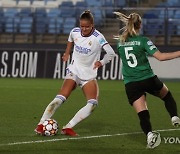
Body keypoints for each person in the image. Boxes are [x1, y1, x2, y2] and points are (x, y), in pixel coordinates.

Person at [35, 10, 115, 136]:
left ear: (92, 25)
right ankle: (40, 124)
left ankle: (68, 127)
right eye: (82, 26)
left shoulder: (98, 37)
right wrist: (67, 52)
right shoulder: (75, 31)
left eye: (87, 26)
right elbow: (70, 39)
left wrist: (102, 62)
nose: (84, 29)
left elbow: (111, 53)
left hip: (88, 75)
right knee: (60, 98)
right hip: (74, 70)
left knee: (93, 104)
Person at [114, 11, 180, 148]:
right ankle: (174, 116)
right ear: (140, 25)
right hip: (147, 78)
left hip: (131, 83)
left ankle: (150, 135)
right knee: (167, 96)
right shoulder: (143, 40)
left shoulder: (120, 42)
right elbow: (160, 57)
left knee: (143, 113)